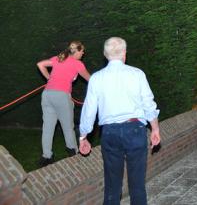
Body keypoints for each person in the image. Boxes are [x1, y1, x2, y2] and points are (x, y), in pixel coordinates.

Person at [79, 37, 160, 205]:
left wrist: (83, 136)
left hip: (110, 133)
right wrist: (155, 130)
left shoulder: (97, 78)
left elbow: (89, 110)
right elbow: (148, 104)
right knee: (137, 184)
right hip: (135, 130)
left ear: (105, 54)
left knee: (112, 184)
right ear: (124, 53)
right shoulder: (137, 74)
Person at [37, 41, 91, 167]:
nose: (83, 53)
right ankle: (73, 152)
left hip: (47, 95)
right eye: (82, 50)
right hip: (62, 96)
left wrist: (48, 78)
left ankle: (47, 156)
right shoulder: (78, 64)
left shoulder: (58, 58)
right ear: (76, 51)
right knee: (68, 126)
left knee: (48, 127)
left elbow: (40, 64)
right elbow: (91, 79)